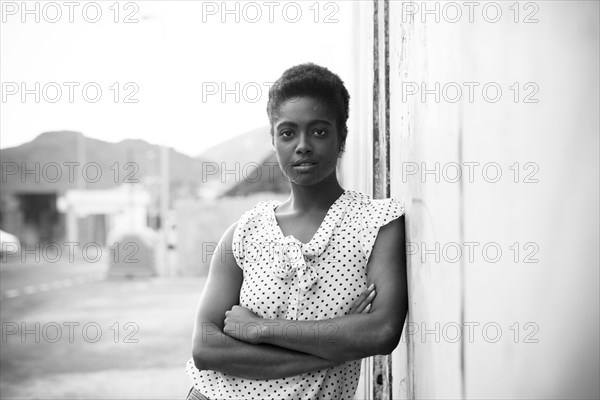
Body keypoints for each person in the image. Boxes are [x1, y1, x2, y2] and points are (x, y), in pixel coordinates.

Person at [185, 63, 408, 400]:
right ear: (274, 140)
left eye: (318, 131)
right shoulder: (243, 234)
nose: (302, 145)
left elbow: (381, 331)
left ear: (341, 136)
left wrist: (261, 329)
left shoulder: (377, 223)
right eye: (288, 133)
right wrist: (337, 343)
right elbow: (206, 349)